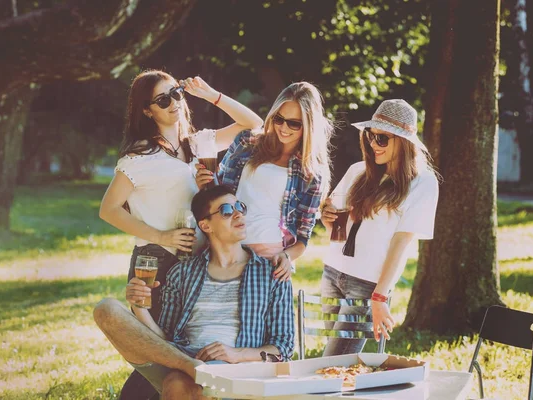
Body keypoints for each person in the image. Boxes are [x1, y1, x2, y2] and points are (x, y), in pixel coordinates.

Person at [98, 69, 263, 399]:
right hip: (156, 261)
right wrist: (161, 236)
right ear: (147, 110)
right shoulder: (140, 156)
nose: (173, 102)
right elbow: (109, 210)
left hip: (198, 262)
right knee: (157, 350)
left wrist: (211, 95)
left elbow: (252, 124)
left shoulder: (197, 144)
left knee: (173, 351)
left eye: (176, 93)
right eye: (162, 99)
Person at [93, 185, 295, 400]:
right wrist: (139, 307)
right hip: (180, 359)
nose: (238, 214)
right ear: (205, 225)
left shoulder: (271, 273)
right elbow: (163, 340)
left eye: (240, 207)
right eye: (226, 210)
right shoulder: (182, 272)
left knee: (178, 383)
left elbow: (283, 347)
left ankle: (193, 371)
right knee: (106, 309)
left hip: (234, 371)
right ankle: (191, 367)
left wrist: (237, 354)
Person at [319, 99, 440, 355]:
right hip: (332, 272)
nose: (373, 144)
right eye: (370, 137)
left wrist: (380, 296)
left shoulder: (423, 183)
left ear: (403, 141)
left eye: (382, 139)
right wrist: (326, 216)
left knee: (334, 361)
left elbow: (402, 243)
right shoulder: (357, 171)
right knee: (335, 364)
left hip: (366, 283)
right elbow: (336, 231)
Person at [196, 82, 333, 281]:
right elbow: (219, 193)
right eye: (279, 119)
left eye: (294, 123)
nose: (284, 128)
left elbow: (303, 236)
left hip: (269, 256)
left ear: (309, 125)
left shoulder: (311, 173)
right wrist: (204, 186)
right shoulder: (247, 142)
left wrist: (286, 256)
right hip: (225, 246)